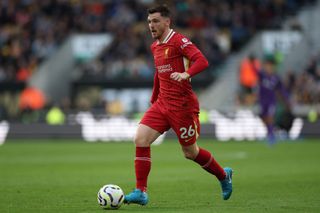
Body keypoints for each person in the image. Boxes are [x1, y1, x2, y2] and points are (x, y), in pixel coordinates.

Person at [124, 5, 233, 206]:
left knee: (190, 152)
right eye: (149, 22)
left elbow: (202, 60)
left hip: (182, 106)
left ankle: (223, 176)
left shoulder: (179, 41)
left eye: (155, 21)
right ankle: (141, 191)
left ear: (167, 22)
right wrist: (154, 97)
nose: (151, 25)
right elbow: (159, 72)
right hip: (162, 104)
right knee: (140, 139)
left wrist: (186, 74)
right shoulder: (155, 46)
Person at [255, 56, 291, 145]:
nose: (268, 68)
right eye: (267, 66)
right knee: (265, 118)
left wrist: (287, 99)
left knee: (270, 117)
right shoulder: (262, 75)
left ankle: (271, 136)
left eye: (270, 66)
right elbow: (256, 71)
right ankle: (270, 133)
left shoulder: (276, 78)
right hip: (262, 100)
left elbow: (281, 89)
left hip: (271, 100)